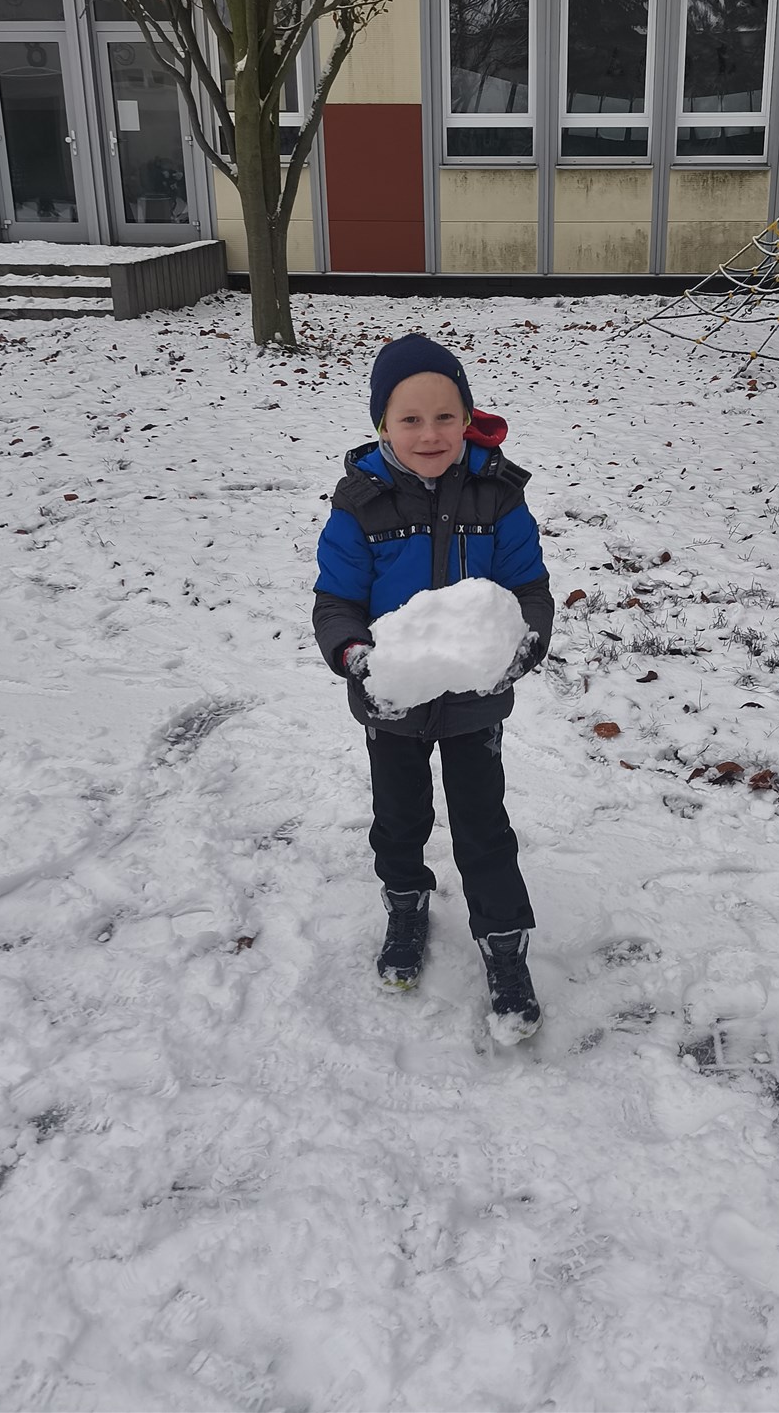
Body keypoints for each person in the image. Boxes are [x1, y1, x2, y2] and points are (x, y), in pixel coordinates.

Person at [313, 334, 554, 1043]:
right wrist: (356, 657)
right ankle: (406, 902)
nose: (429, 434)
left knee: (483, 824)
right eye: (410, 419)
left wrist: (520, 645)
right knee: (398, 816)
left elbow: (529, 589)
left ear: (468, 417)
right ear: (382, 424)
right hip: (392, 700)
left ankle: (504, 943)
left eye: (446, 417)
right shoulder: (360, 504)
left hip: (475, 699)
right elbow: (336, 601)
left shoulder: (498, 495)